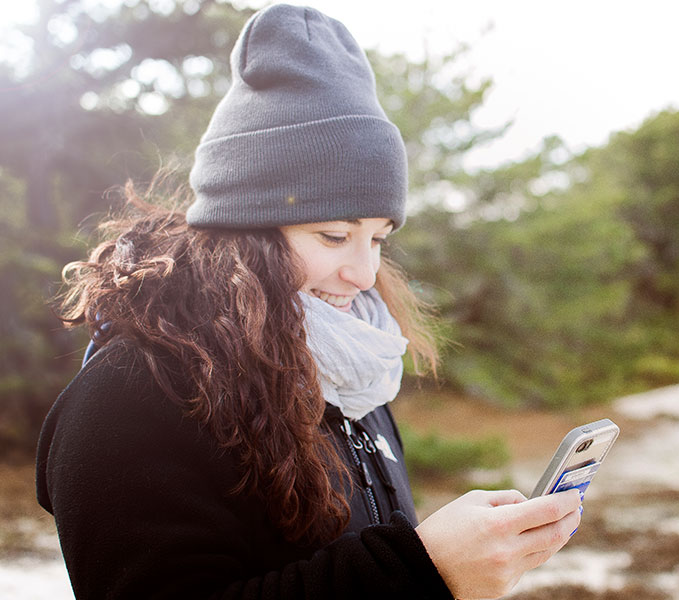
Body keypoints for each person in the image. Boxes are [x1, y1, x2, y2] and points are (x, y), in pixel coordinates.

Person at [35, 5, 582, 599]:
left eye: (378, 238)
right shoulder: (133, 396)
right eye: (333, 235)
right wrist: (423, 571)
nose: (363, 272)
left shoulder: (348, 368)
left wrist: (459, 556)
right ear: (244, 232)